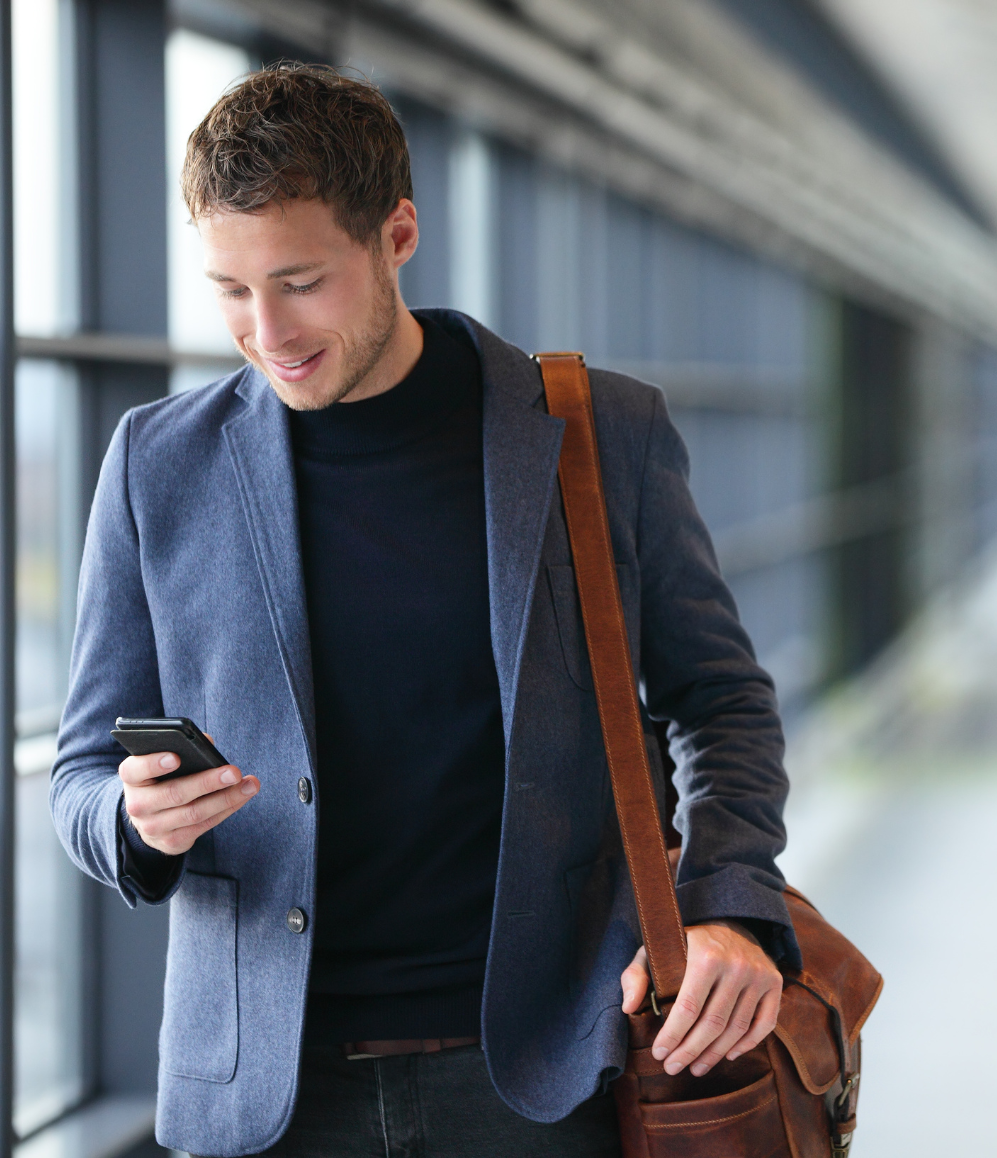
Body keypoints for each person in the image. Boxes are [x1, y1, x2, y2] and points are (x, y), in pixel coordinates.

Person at [51, 64, 797, 1158]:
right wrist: (133, 823)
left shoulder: (596, 433)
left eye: (300, 281)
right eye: (230, 289)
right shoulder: (156, 463)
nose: (266, 330)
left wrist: (727, 899)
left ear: (397, 234)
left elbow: (720, 700)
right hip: (268, 1094)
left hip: (544, 1075)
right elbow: (79, 774)